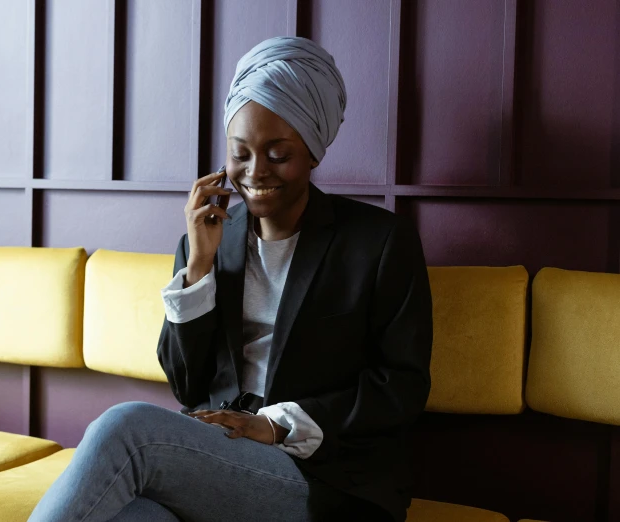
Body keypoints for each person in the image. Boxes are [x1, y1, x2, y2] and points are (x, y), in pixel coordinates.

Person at [29, 36, 432, 522]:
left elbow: (400, 387)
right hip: (222, 460)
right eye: (240, 154)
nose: (255, 171)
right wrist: (198, 266)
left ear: (313, 153)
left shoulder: (378, 241)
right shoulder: (209, 240)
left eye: (278, 154)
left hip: (325, 477)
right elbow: (187, 385)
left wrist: (275, 425)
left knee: (126, 427)